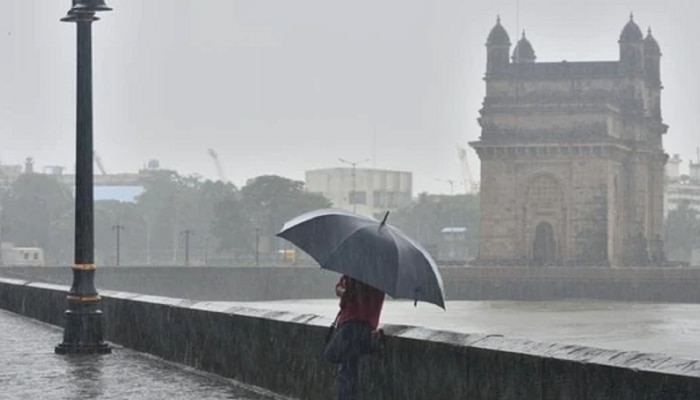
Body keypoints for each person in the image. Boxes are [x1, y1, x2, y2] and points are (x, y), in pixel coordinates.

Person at [323, 275, 385, 400]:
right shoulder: (379, 276)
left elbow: (341, 288)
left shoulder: (358, 274)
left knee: (346, 370)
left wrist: (349, 292)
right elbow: (339, 287)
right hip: (367, 327)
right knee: (349, 370)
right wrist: (345, 292)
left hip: (352, 326)